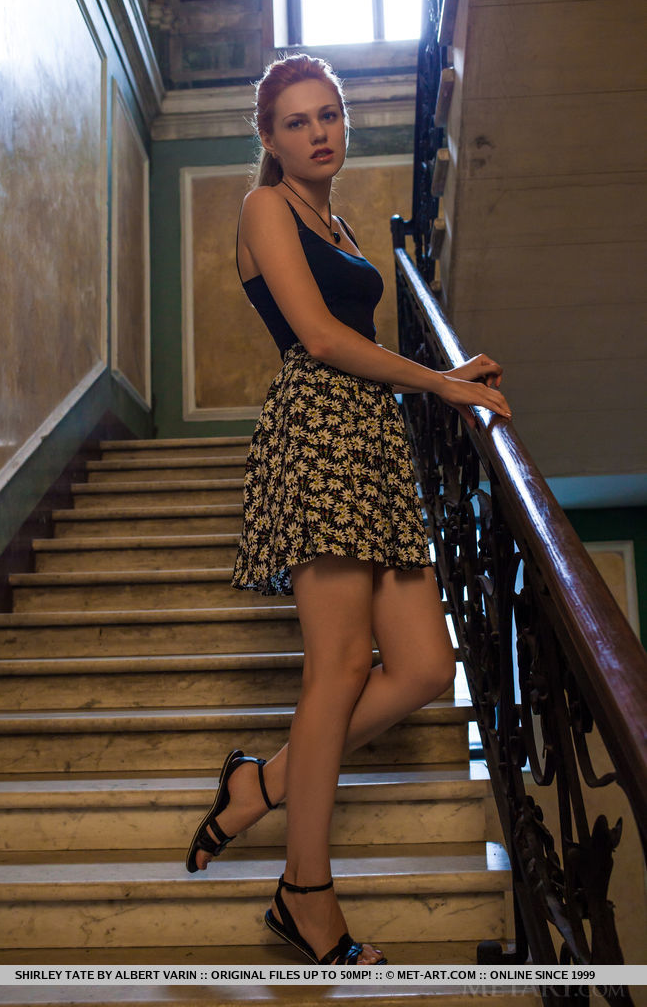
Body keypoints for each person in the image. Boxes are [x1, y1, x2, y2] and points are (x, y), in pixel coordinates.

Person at [186, 53, 512, 966]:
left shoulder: (337, 218)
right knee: (337, 665)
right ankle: (305, 894)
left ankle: (261, 784)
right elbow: (323, 339)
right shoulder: (264, 206)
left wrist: (430, 385)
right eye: (296, 121)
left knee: (423, 665)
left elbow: (356, 337)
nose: (318, 132)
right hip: (320, 432)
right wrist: (442, 382)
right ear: (270, 137)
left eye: (328, 114)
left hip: (371, 437)